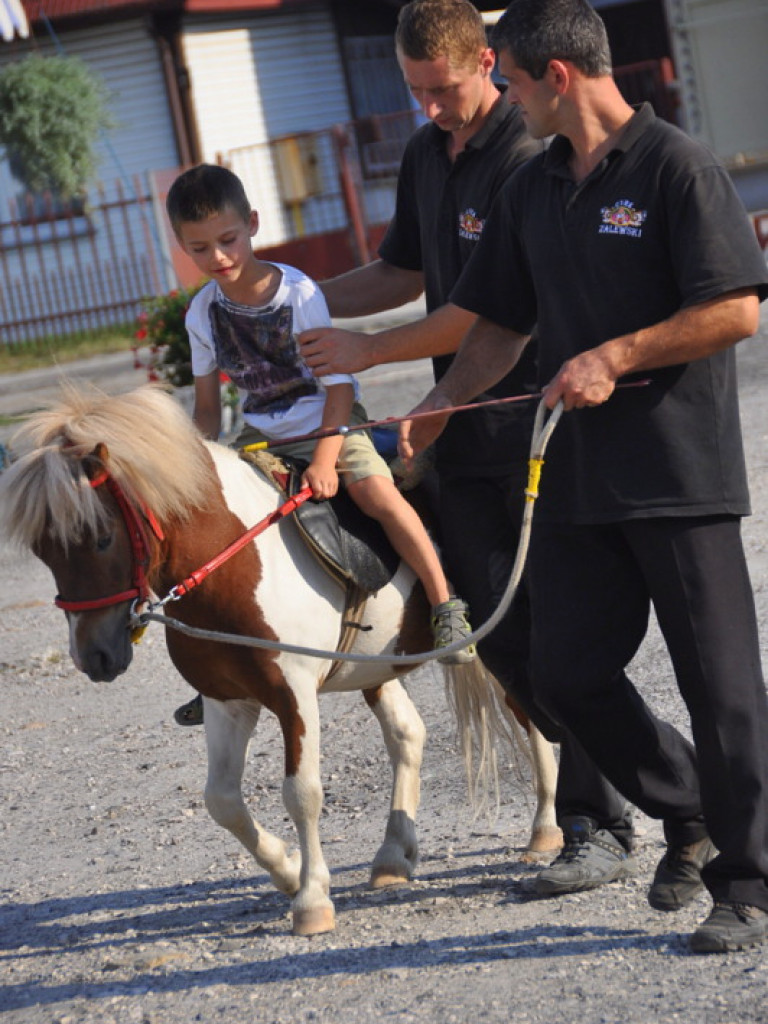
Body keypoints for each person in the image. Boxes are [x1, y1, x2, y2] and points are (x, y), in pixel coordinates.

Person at [398, 0, 768, 954]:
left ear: (554, 77)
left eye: (511, 80)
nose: (504, 98)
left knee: (721, 690)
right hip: (570, 480)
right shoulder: (536, 190)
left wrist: (618, 354)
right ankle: (690, 809)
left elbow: (732, 311)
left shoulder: (676, 167)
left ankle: (749, 879)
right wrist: (441, 404)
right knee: (562, 673)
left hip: (679, 478)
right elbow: (498, 326)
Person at [300, 0, 638, 893]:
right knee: (503, 639)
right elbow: (404, 270)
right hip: (454, 432)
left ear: (487, 61)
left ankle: (603, 819)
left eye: (441, 89)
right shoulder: (425, 152)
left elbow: (492, 314)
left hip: (526, 427)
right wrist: (288, 295)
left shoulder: (526, 150)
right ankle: (606, 812)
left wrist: (382, 358)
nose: (429, 108)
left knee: (552, 639)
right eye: (413, 92)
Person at [165, 163, 477, 721]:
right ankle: (217, 658)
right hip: (260, 432)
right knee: (215, 521)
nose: (218, 257)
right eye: (200, 248)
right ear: (182, 247)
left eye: (228, 240)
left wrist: (329, 458)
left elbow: (338, 386)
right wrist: (193, 467)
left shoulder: (299, 293)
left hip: (327, 420)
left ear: (253, 224)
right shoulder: (201, 314)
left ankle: (443, 601)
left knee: (376, 496)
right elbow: (208, 411)